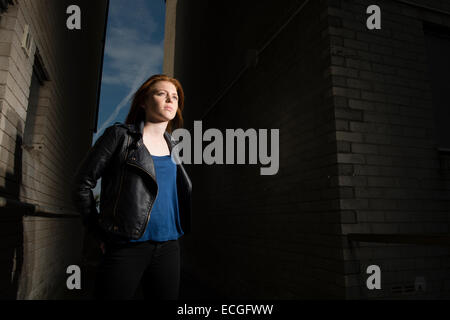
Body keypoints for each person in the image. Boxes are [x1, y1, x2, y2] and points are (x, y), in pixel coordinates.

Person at [71, 74, 192, 300]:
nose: (170, 100)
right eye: (161, 93)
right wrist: (98, 231)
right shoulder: (120, 136)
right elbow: (81, 184)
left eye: (174, 97)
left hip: (169, 246)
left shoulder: (174, 145)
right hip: (126, 245)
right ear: (144, 101)